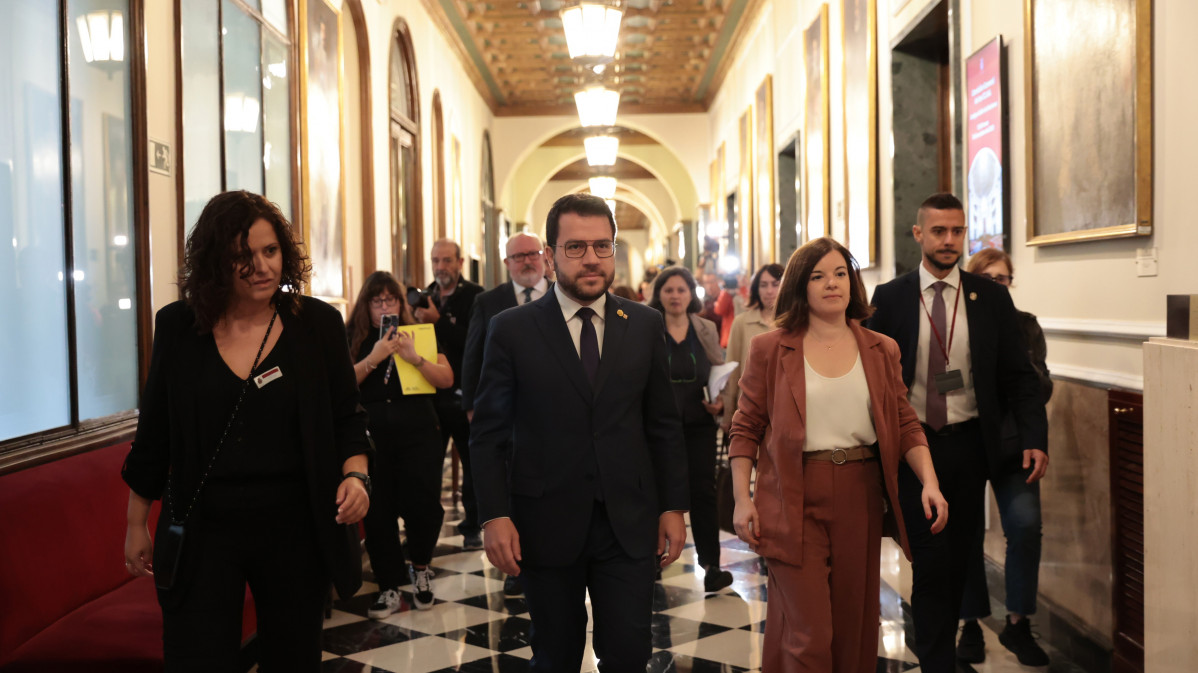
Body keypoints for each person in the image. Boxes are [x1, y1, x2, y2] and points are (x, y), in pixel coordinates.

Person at [121, 190, 372, 672]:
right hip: (203, 527)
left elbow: (348, 417)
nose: (261, 267)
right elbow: (155, 433)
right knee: (197, 657)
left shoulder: (316, 325)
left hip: (295, 524)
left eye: (270, 251)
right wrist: (136, 523)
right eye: (242, 256)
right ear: (216, 261)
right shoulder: (179, 327)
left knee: (292, 658)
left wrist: (356, 476)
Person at [470, 193, 689, 673]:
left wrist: (674, 505)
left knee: (630, 653)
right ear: (550, 256)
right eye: (575, 247)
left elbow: (662, 424)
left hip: (627, 521)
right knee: (555, 655)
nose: (591, 258)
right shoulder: (512, 329)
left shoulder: (644, 325)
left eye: (602, 246)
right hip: (544, 521)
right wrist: (493, 516)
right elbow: (488, 433)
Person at [729, 237, 948, 671]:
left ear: (853, 282)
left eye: (840, 274)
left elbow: (904, 422)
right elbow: (746, 426)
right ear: (800, 286)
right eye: (818, 276)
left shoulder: (880, 348)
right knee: (810, 633)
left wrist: (930, 482)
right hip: (792, 494)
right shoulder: (770, 349)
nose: (832, 284)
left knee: (855, 626)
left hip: (859, 492)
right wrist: (742, 497)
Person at [865, 193, 1048, 673]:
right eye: (939, 231)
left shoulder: (989, 298)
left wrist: (1034, 436)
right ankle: (937, 662)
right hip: (914, 446)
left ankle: (944, 649)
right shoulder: (890, 297)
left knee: (960, 553)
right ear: (919, 234)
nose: (949, 241)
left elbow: (1019, 376)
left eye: (957, 231)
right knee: (929, 559)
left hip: (969, 446)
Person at [956, 248, 1054, 665]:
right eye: (990, 279)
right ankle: (970, 623)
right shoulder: (957, 325)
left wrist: (1022, 382)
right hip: (967, 438)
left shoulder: (1026, 326)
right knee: (965, 532)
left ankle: (1018, 623)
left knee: (1025, 527)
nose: (1000, 286)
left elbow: (1041, 386)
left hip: (1015, 444)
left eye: (1005, 278)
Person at [347, 271, 455, 616]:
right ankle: (389, 585)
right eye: (376, 301)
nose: (383, 306)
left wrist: (415, 359)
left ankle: (421, 569)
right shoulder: (354, 337)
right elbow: (343, 385)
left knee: (423, 506)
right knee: (378, 513)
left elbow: (446, 378)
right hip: (373, 437)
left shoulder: (419, 335)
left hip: (420, 433)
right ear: (366, 305)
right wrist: (375, 356)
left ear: (399, 303)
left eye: (390, 299)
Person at [460, 231, 550, 597]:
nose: (527, 261)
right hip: (506, 414)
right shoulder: (488, 301)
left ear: (544, 257)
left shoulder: (562, 295)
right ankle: (516, 565)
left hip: (552, 413)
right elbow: (473, 355)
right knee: (513, 488)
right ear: (507, 263)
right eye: (518, 257)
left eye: (532, 254)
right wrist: (471, 407)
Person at [648, 266, 734, 592]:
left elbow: (718, 369)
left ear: (691, 294)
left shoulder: (705, 328)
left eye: (681, 290)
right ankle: (653, 559)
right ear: (659, 294)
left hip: (698, 422)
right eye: (668, 290)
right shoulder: (648, 327)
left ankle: (711, 565)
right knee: (657, 493)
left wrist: (720, 400)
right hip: (658, 426)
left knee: (703, 492)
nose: (675, 296)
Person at [416, 239, 485, 549]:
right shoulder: (425, 295)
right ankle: (426, 531)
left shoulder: (475, 296)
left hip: (464, 393)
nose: (440, 267)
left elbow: (475, 342)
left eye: (446, 260)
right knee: (428, 465)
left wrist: (438, 322)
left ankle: (472, 527)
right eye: (435, 260)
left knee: (472, 464)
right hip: (429, 394)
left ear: (459, 263)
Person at [721, 263, 784, 434]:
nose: (769, 291)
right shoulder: (742, 322)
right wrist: (728, 415)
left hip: (786, 410)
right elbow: (732, 371)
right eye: (763, 285)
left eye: (775, 284)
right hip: (751, 410)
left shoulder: (795, 323)